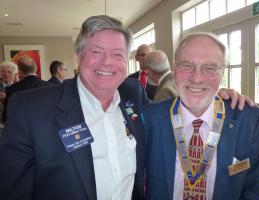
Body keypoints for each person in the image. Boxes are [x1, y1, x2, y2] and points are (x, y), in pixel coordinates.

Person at [0, 15, 149, 200]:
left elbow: (164, 119)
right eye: (96, 52)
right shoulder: (30, 109)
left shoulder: (133, 92)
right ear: (77, 56)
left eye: (117, 54)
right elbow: (13, 190)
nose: (107, 62)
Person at [143, 32, 259, 200]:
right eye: (187, 65)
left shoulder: (249, 120)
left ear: (222, 72)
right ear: (174, 67)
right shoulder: (148, 119)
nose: (196, 78)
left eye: (209, 68)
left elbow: (255, 192)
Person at [2, 56, 50, 123]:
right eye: (3, 72)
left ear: (19, 71)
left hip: (21, 128)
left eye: (9, 72)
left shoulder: (12, 89)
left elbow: (8, 115)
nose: (6, 74)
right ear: (35, 68)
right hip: (46, 127)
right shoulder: (50, 86)